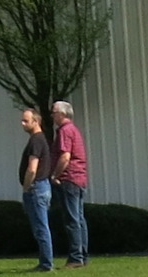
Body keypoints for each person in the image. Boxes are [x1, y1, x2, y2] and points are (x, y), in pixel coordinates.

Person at [51, 100, 89, 268]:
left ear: (62, 114)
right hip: (79, 178)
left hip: (69, 178)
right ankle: (83, 255)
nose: (52, 116)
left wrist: (55, 174)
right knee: (79, 219)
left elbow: (65, 156)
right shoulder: (74, 130)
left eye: (54, 112)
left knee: (72, 219)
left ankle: (75, 257)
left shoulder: (64, 131)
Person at [17, 107, 54, 272]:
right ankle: (45, 262)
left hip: (36, 188)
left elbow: (32, 169)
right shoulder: (38, 139)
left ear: (36, 121)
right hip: (42, 187)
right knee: (40, 227)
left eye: (26, 121)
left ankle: (46, 263)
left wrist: (26, 188)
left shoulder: (36, 141)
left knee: (41, 227)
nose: (22, 124)